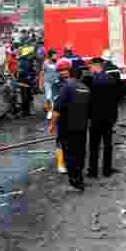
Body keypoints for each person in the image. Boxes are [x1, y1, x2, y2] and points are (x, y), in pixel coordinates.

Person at [50, 57, 91, 191]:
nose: (63, 73)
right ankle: (79, 179)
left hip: (67, 127)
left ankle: (75, 182)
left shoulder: (66, 87)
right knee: (80, 153)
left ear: (70, 71)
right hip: (81, 127)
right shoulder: (84, 88)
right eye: (60, 71)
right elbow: (89, 109)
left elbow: (57, 108)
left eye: (65, 70)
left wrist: (52, 125)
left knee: (70, 154)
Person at [86, 57, 119, 178]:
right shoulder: (111, 79)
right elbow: (116, 99)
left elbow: (87, 101)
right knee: (107, 145)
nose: (90, 69)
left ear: (95, 66)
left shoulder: (90, 80)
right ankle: (107, 170)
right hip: (108, 118)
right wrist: (114, 116)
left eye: (91, 66)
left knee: (94, 145)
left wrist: (88, 116)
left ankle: (92, 171)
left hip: (95, 118)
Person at [41, 50, 59, 135]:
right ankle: (49, 111)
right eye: (55, 55)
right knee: (48, 97)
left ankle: (52, 112)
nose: (56, 56)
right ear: (51, 56)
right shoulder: (45, 63)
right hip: (47, 82)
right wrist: (40, 84)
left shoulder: (58, 62)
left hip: (55, 83)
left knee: (54, 98)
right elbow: (42, 73)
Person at [17, 46, 36, 117]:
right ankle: (27, 111)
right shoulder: (24, 61)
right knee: (27, 95)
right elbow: (26, 72)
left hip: (24, 81)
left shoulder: (23, 61)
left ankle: (26, 111)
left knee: (25, 96)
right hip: (25, 81)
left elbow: (24, 72)